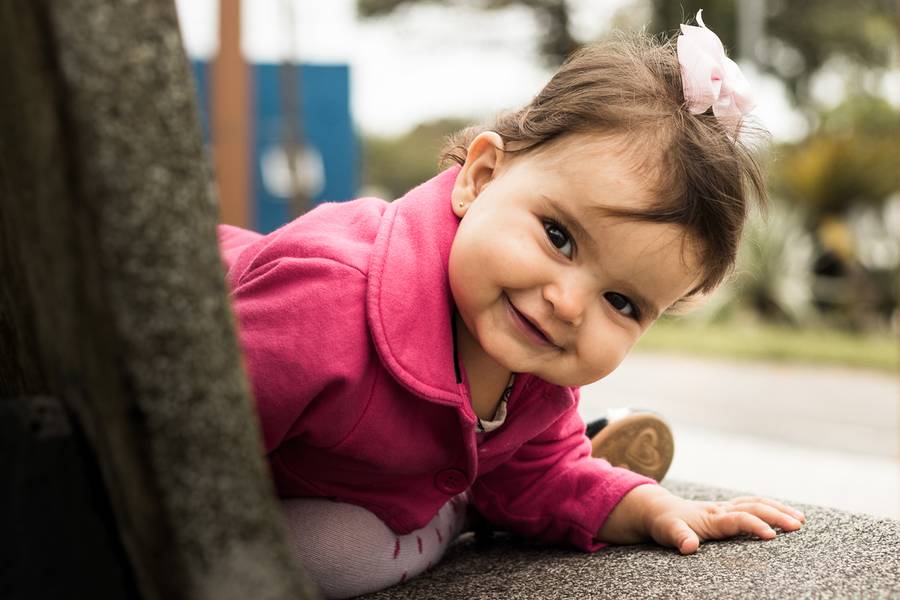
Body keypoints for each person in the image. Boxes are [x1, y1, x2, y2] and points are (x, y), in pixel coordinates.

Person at [218, 12, 805, 599]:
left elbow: (544, 472)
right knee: (318, 557)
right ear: (480, 176)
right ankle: (459, 507)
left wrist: (650, 505)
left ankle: (473, 490)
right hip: (209, 442)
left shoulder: (533, 361)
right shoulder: (327, 298)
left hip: (338, 482)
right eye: (558, 237)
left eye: (622, 302)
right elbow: (184, 437)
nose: (569, 304)